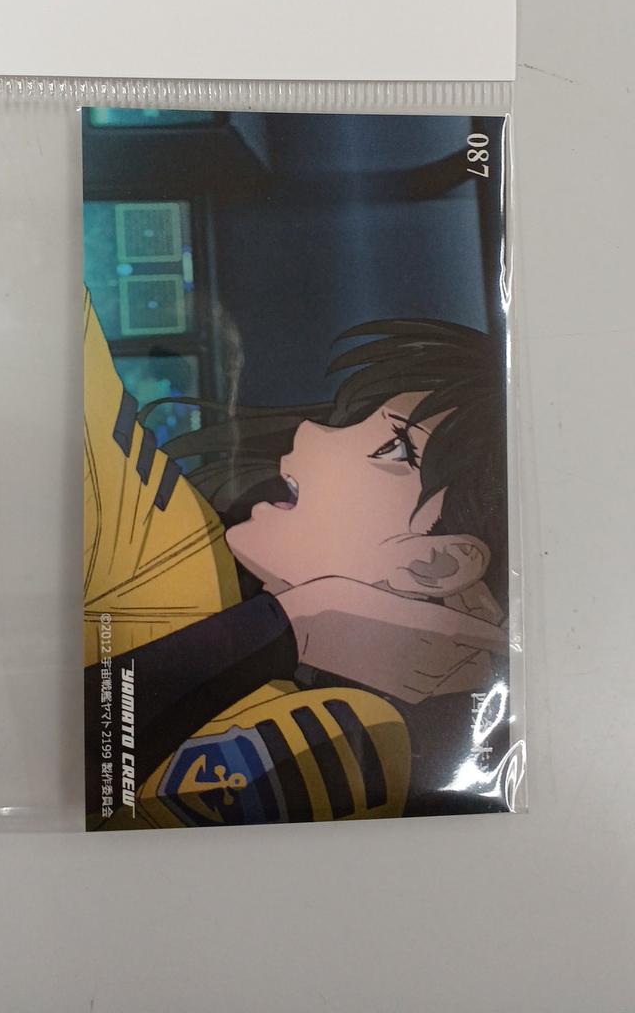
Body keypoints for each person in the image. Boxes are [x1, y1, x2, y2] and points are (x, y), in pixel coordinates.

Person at [83, 291, 509, 828]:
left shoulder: (353, 739)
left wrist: (288, 627)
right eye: (352, 419)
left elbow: (52, 774)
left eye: (395, 448)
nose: (308, 429)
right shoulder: (174, 541)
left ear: (439, 564)